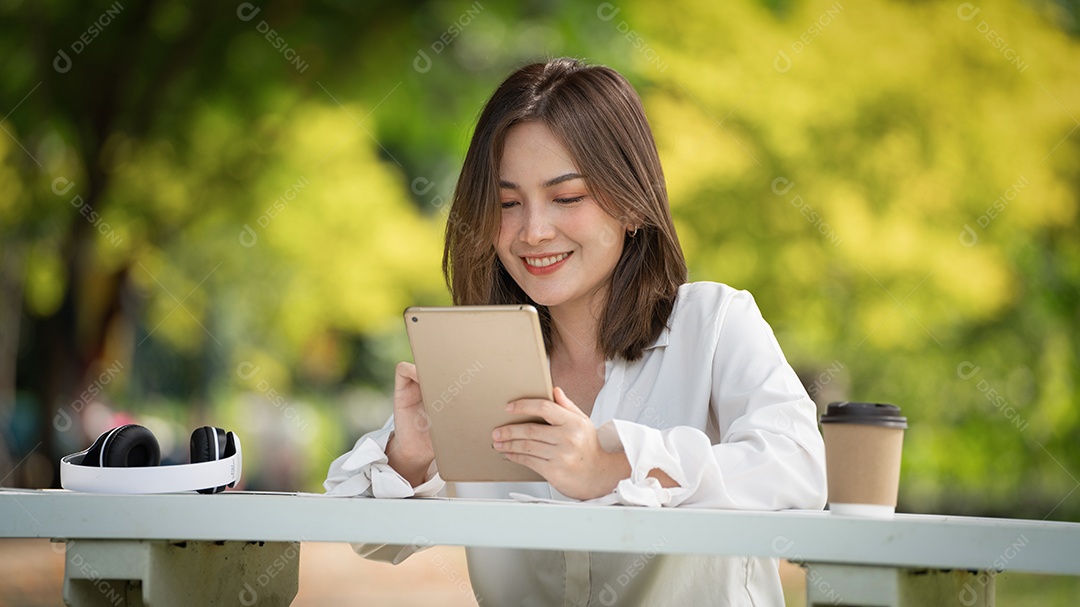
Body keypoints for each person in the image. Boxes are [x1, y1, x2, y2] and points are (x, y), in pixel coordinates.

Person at [325, 57, 827, 605]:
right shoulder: (481, 360)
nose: (534, 231)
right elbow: (372, 540)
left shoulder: (713, 323)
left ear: (632, 203)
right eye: (507, 203)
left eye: (567, 198)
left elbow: (799, 468)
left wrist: (614, 467)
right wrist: (411, 456)